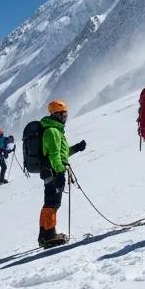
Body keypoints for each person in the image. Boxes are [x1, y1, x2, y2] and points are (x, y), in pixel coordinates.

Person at [38, 100, 87, 248]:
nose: (65, 117)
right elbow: (54, 156)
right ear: (55, 114)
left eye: (66, 114)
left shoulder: (55, 130)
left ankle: (45, 235)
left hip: (52, 171)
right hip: (53, 172)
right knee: (52, 203)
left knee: (51, 202)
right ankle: (49, 235)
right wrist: (59, 173)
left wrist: (76, 148)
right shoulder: (52, 131)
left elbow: (61, 153)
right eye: (63, 114)